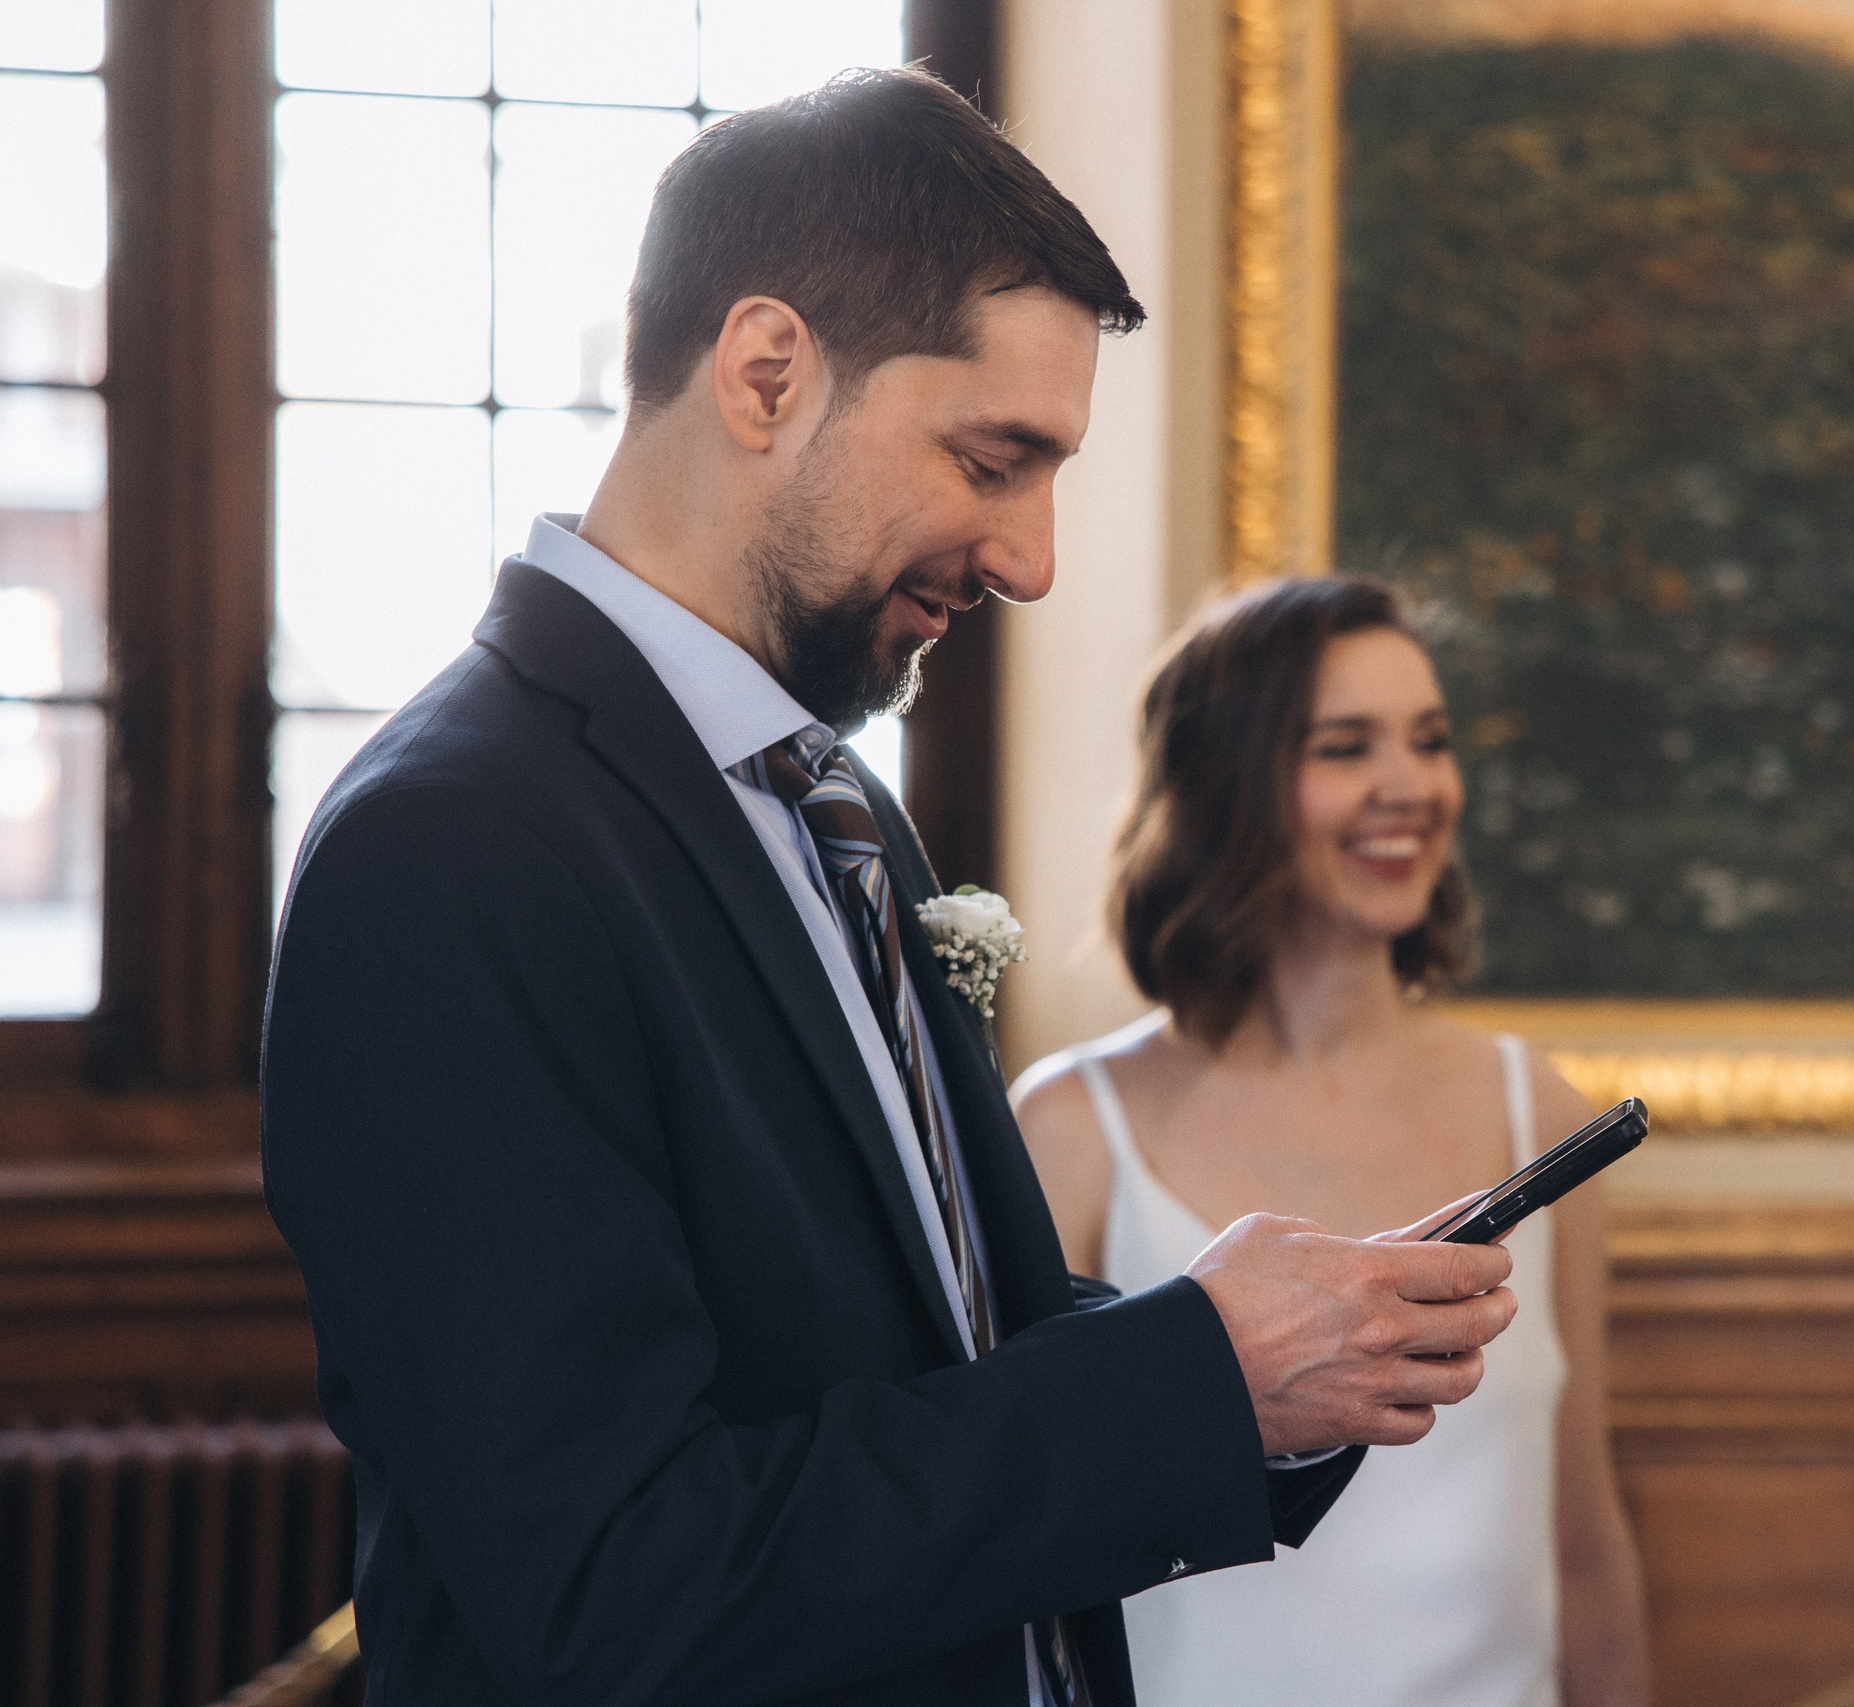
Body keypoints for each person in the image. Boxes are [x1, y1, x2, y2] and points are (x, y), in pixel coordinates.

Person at [259, 72, 1518, 1707]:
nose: (1033, 557)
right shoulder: (451, 848)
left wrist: (1270, 1356)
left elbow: (916, 1337)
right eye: (995, 458)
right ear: (768, 370)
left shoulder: (832, 800)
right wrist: (1182, 1377)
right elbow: (613, 1586)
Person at [1013, 577, 1651, 1707]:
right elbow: (1018, 1533)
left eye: (1430, 740)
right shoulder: (1072, 1130)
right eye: (1346, 747)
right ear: (1225, 786)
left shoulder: (1537, 1111)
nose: (1408, 786)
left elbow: (1582, 1532)